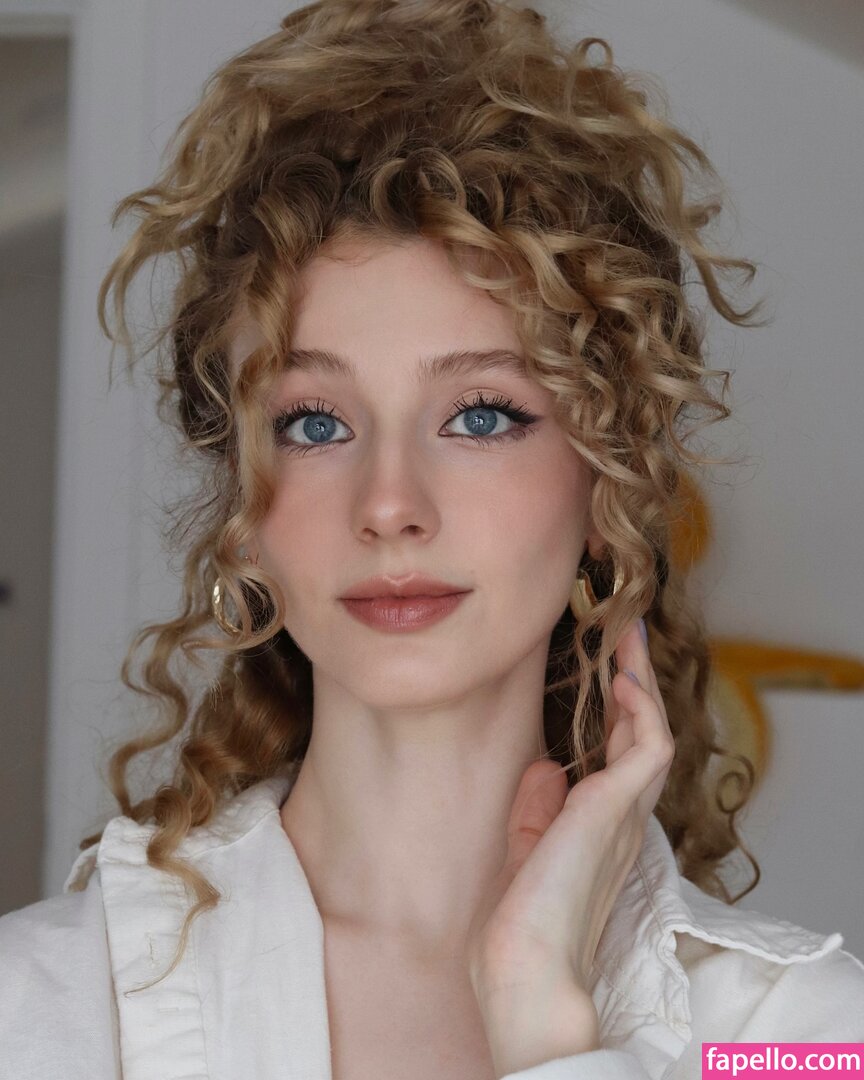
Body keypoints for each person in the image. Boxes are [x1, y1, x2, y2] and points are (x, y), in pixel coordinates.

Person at [2, 1, 863, 1078]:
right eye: (315, 425)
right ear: (243, 520)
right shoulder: (33, 1011)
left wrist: (544, 1020)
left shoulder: (802, 1035)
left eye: (482, 416)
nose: (390, 504)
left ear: (609, 486)